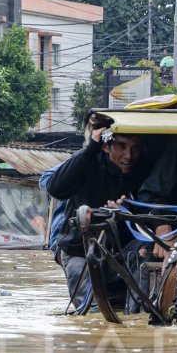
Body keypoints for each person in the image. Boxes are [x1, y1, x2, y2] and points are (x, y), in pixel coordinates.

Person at [46, 126, 149, 312]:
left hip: (120, 253)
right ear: (106, 147)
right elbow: (55, 188)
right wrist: (90, 148)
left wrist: (128, 211)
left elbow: (146, 221)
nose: (129, 155)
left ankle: (136, 314)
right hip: (80, 251)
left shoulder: (141, 172)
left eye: (135, 148)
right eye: (122, 146)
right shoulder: (86, 163)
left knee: (145, 254)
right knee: (91, 313)